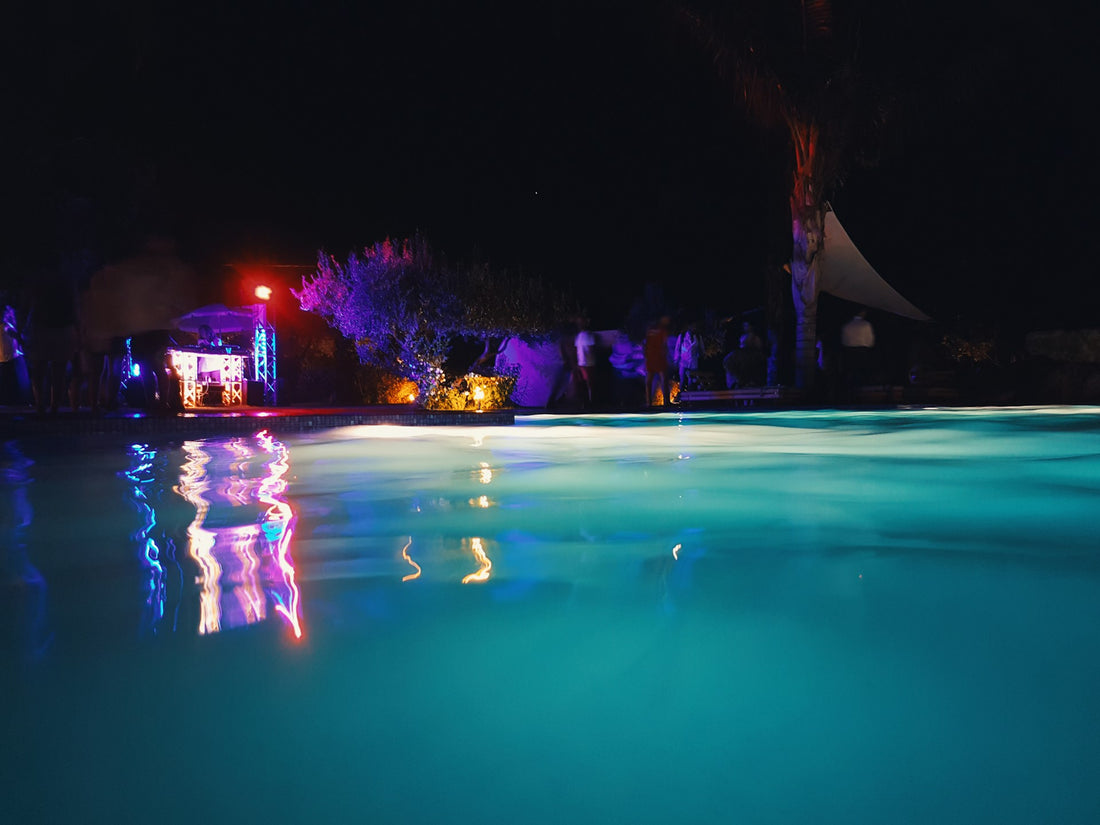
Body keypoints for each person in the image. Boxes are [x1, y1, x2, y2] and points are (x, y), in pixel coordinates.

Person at [840, 308, 875, 400]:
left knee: (850, 373)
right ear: (862, 313)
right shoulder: (866, 325)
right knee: (862, 372)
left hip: (849, 351)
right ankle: (861, 395)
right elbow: (870, 341)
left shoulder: (846, 325)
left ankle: (849, 394)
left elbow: (844, 341)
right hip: (862, 350)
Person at [644, 316, 670, 406]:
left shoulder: (649, 332)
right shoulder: (662, 331)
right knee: (663, 379)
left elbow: (645, 344)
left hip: (651, 357)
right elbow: (664, 344)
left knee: (649, 381)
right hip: (658, 357)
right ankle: (666, 402)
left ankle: (649, 402)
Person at [574, 318, 597, 407]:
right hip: (586, 363)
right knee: (588, 383)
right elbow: (590, 349)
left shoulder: (581, 336)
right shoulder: (584, 335)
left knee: (587, 383)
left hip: (585, 362)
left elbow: (579, 350)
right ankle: (589, 401)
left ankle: (589, 402)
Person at [674, 322, 701, 392]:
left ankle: (691, 399)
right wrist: (676, 360)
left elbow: (701, 348)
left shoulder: (698, 336)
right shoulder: (682, 336)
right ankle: (683, 399)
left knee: (692, 381)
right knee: (682, 381)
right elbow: (677, 348)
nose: (694, 327)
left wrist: (700, 355)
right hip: (683, 362)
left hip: (694, 362)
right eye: (693, 326)